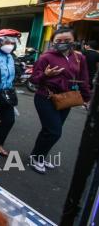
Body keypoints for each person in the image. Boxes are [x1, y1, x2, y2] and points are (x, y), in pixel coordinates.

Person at [29, 28, 90, 174]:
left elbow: (84, 79)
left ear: (74, 41)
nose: (62, 43)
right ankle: (36, 158)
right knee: (54, 131)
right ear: (52, 42)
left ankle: (39, 155)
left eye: (67, 40)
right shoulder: (46, 57)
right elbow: (34, 79)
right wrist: (45, 74)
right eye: (58, 41)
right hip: (46, 97)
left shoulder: (79, 58)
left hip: (66, 98)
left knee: (49, 130)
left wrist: (86, 97)